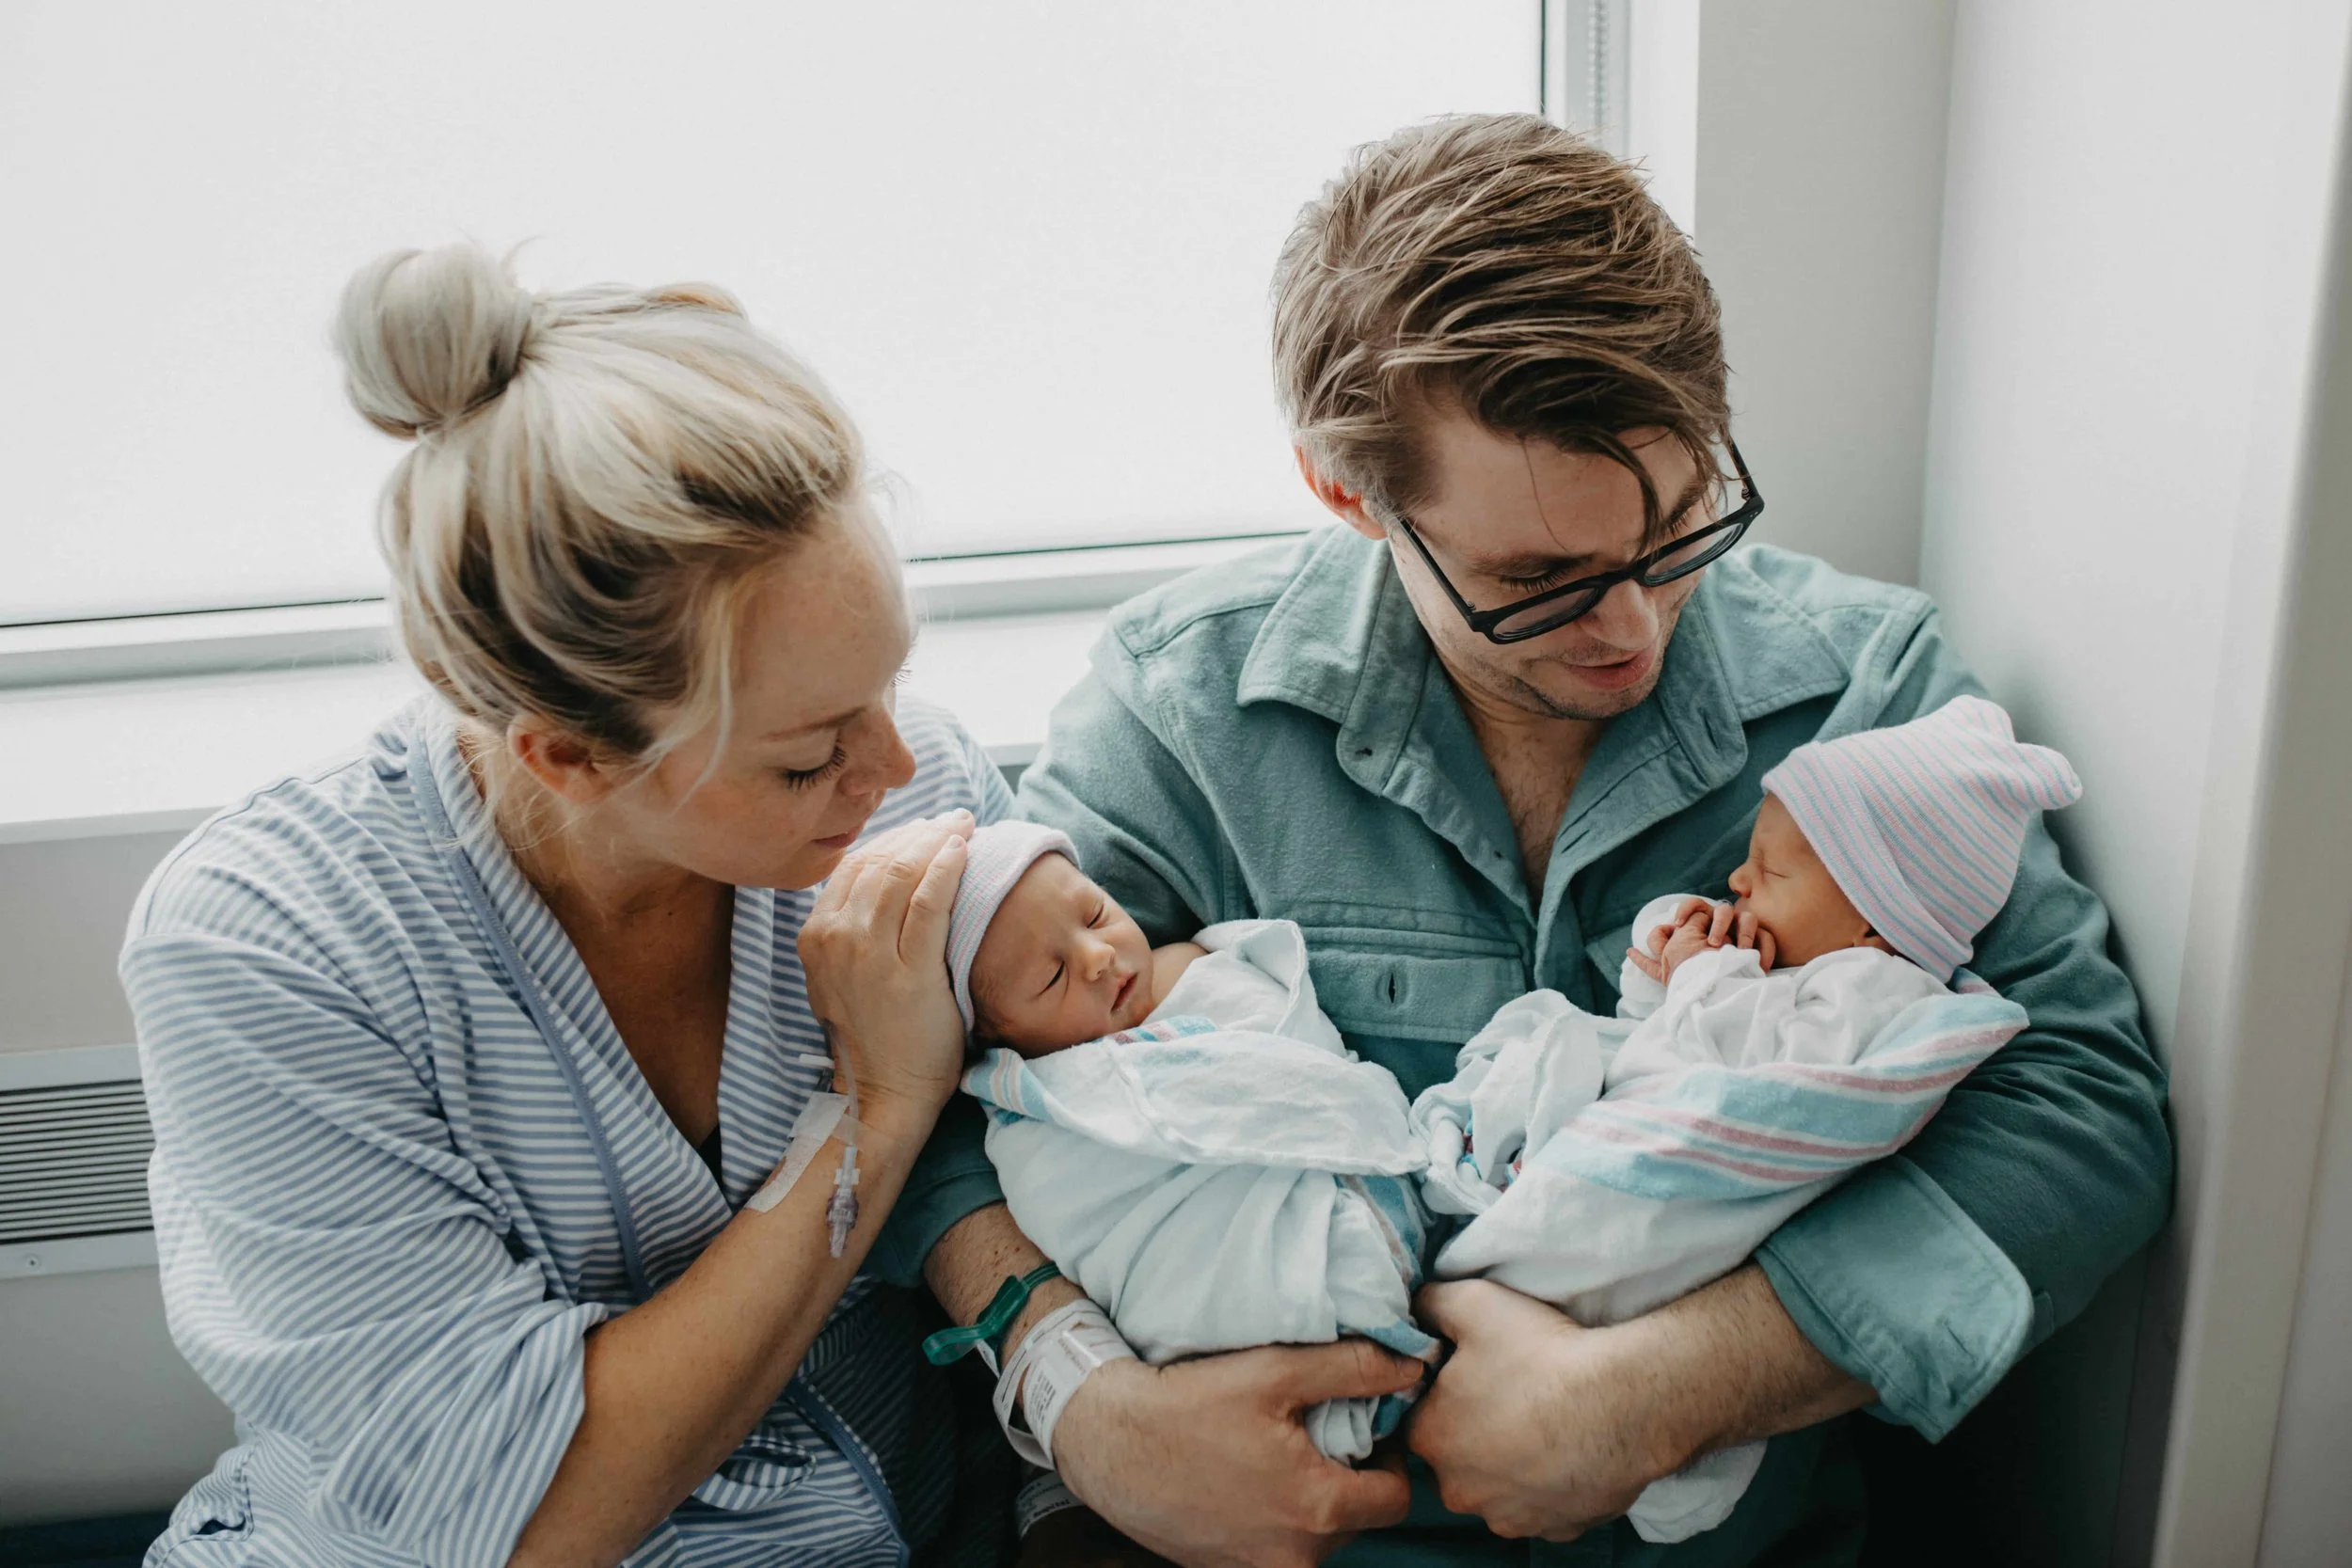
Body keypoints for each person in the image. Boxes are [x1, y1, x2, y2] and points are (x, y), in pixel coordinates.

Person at [994, 114, 2172, 1561]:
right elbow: (941, 1094)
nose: (1632, 626)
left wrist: (1668, 1387)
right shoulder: (1179, 716)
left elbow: (2085, 1101)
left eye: (1677, 527)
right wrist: (1077, 1395)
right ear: (1348, 493)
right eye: (1537, 578)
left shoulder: (1874, 691)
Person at [125, 244, 1321, 1568]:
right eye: (807, 758)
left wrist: (1076, 1388)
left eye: (888, 687)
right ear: (569, 756)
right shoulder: (268, 948)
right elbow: (522, 1515)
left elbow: (1054, 1145)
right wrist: (872, 1109)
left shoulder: (917, 790)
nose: (892, 768)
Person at [1409, 694, 2081, 1544]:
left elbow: (1765, 1081)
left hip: (1680, 1192)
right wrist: (1667, 972)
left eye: (1769, 870)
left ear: (1871, 918)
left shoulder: (1879, 992)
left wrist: (1706, 976)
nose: (1738, 881)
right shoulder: (1805, 972)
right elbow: (1659, 1045)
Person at [943, 821, 1436, 1466]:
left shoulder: (1193, 967)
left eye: (1095, 914)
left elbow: (1291, 1039)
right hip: (1229, 1271)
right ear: (1000, 1040)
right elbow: (1091, 1213)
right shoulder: (1041, 1114)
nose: (1096, 955)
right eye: (1053, 976)